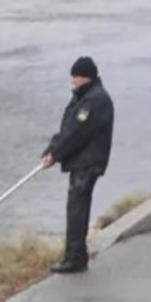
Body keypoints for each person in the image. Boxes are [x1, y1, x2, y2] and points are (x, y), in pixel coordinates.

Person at [41, 56, 114, 274]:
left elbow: (76, 133)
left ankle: (74, 258)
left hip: (88, 163)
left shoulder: (95, 101)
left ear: (85, 77)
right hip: (81, 162)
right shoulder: (82, 98)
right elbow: (67, 129)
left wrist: (56, 154)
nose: (72, 81)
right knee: (76, 207)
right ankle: (76, 254)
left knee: (76, 208)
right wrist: (50, 150)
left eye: (75, 77)